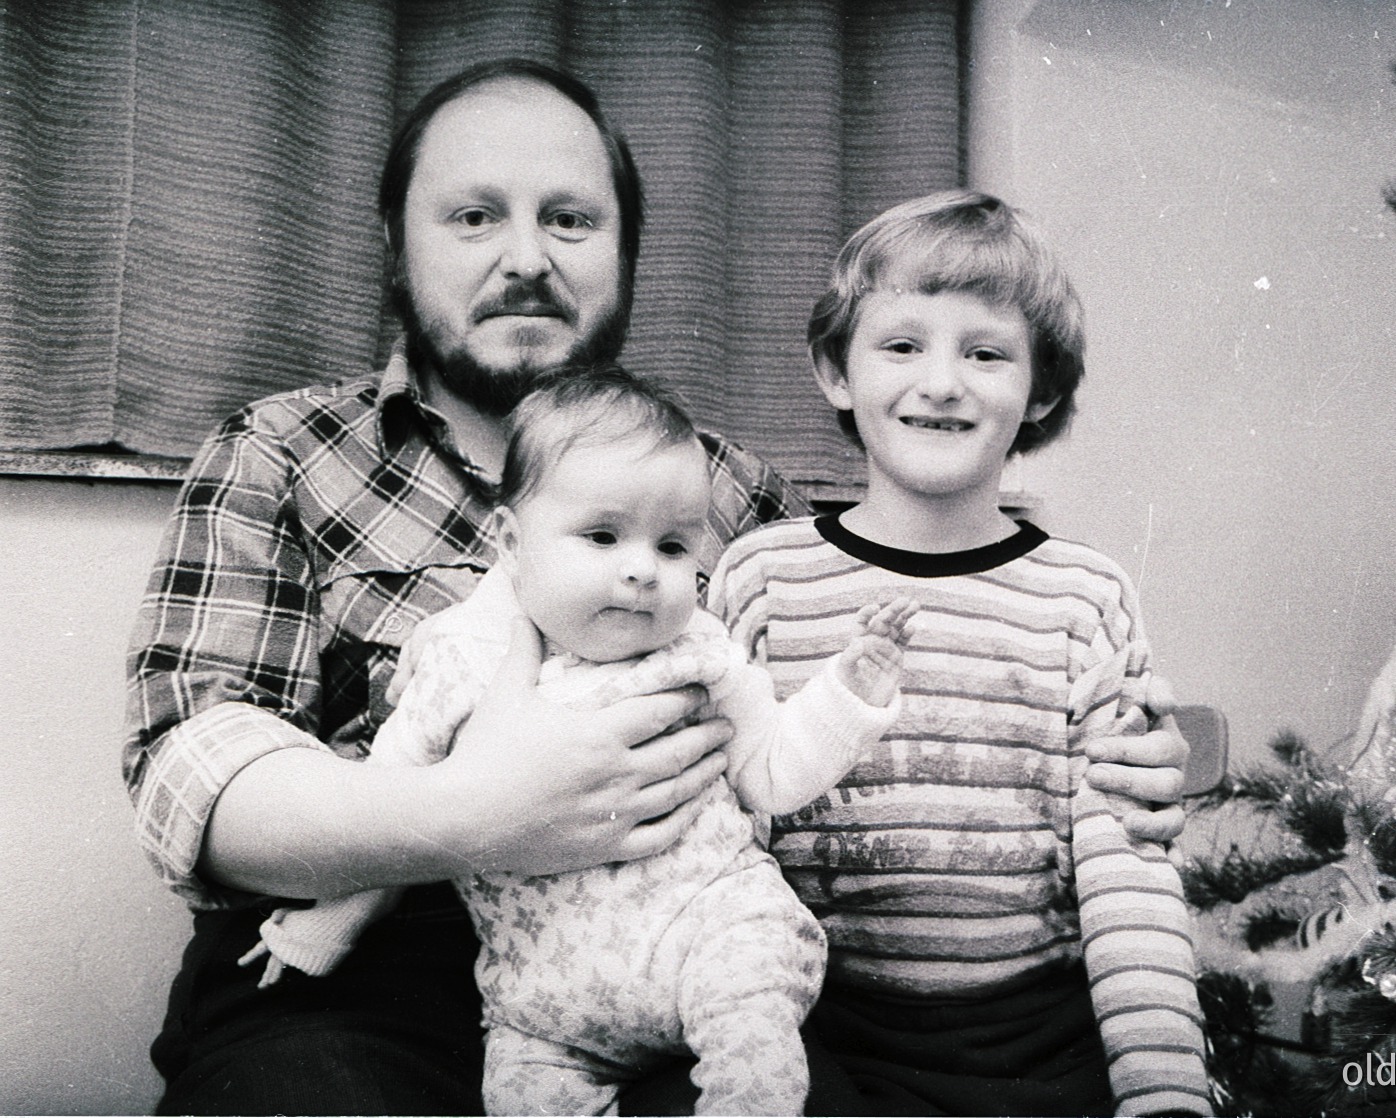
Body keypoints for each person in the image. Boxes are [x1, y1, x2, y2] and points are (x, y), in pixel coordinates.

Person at [123, 59, 1192, 1115]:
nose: (527, 257)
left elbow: (839, 734)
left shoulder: (733, 494)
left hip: (669, 975)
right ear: (395, 244)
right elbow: (189, 765)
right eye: (475, 217)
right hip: (353, 980)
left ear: (626, 252)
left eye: (571, 220)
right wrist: (468, 813)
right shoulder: (286, 451)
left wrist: (1114, 757)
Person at [240, 367, 917, 1116]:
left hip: (713, 933)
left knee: (756, 1048)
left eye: (673, 547)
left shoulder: (702, 651)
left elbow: (773, 774)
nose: (641, 570)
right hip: (546, 1000)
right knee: (523, 1096)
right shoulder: (461, 663)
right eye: (602, 536)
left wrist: (848, 694)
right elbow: (392, 807)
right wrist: (325, 924)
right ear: (511, 541)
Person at [703, 190, 1212, 1117]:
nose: (941, 383)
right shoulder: (761, 577)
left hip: (1035, 1039)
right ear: (836, 372)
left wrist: (1166, 1091)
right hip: (803, 1022)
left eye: (985, 353)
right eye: (902, 346)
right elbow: (721, 834)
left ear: (1041, 390)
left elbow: (1127, 870)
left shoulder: (1084, 598)